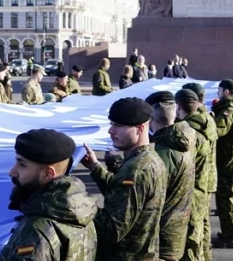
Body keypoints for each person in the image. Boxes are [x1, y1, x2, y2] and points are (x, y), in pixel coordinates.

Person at [79, 98, 167, 260]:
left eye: (118, 126)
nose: (110, 131)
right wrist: (95, 167)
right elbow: (123, 198)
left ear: (140, 129)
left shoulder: (136, 169)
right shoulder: (149, 158)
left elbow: (113, 229)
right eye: (112, 124)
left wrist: (78, 204)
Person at [0, 129, 97, 260]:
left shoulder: (36, 231)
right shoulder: (80, 209)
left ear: (48, 174)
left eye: (22, 164)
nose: (12, 172)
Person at [144, 91, 196, 261]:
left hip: (161, 236)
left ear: (151, 119)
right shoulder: (185, 137)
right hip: (178, 228)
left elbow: (147, 194)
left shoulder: (161, 152)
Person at [176, 85, 216, 261]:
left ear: (179, 106)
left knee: (192, 238)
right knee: (202, 226)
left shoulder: (189, 131)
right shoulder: (207, 120)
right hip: (206, 180)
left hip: (194, 187)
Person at [211, 79, 233, 249]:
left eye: (219, 90)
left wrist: (208, 120)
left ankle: (230, 236)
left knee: (227, 202)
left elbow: (216, 131)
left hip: (228, 165)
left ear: (225, 92)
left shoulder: (228, 113)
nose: (218, 93)